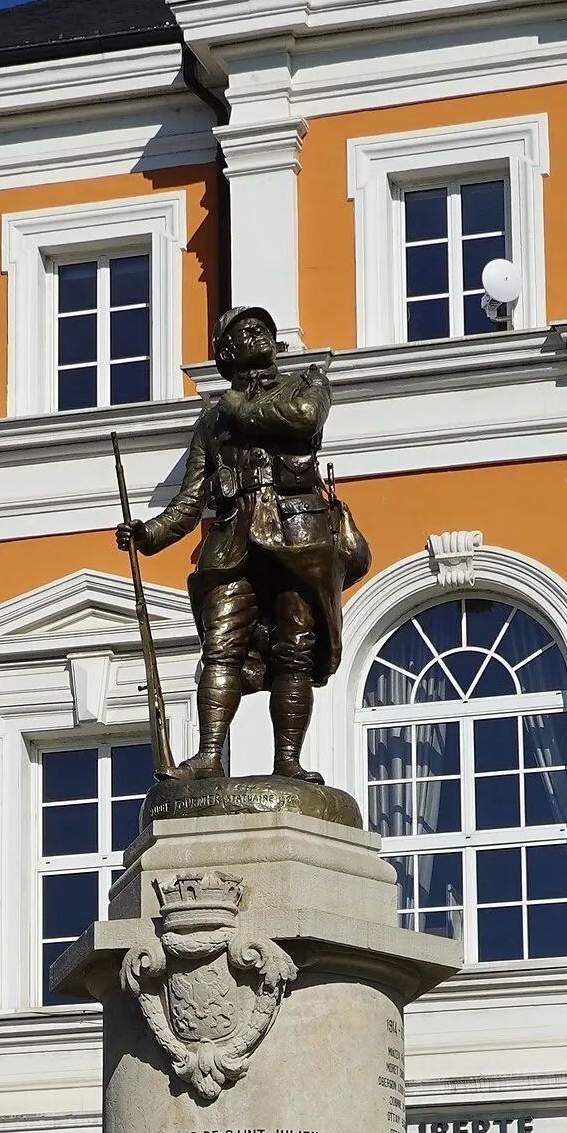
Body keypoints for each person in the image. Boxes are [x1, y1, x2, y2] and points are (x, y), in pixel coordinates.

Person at [119, 305, 370, 782]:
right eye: (245, 332)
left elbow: (302, 418)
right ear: (226, 352)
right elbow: (191, 500)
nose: (258, 336)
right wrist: (148, 535)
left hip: (299, 536)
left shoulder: (307, 384)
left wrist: (237, 406)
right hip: (234, 544)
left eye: (263, 330)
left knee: (295, 650)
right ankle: (209, 755)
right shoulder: (211, 425)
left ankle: (288, 762)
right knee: (220, 649)